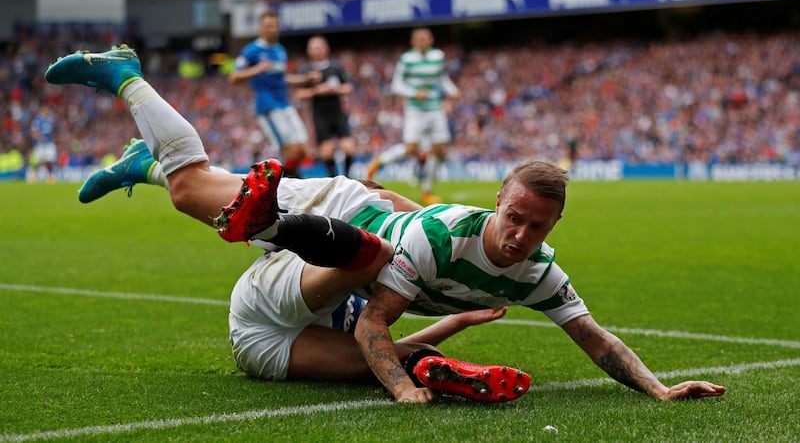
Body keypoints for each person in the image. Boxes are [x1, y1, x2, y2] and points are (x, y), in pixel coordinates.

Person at [47, 45, 726, 405]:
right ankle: (128, 77)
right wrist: (406, 392)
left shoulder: (539, 273)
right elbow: (384, 302)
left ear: (552, 228)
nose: (521, 236)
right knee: (202, 191)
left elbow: (594, 337)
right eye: (514, 218)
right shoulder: (442, 237)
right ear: (497, 203)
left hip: (317, 291)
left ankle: (149, 167)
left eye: (536, 228)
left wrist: (660, 390)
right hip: (339, 218)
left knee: (195, 191)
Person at [366, 27, 461, 205]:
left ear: (431, 40)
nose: (424, 41)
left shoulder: (438, 56)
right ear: (414, 42)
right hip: (415, 110)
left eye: (427, 38)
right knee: (411, 149)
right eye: (420, 39)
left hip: (435, 108)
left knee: (439, 150)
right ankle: (379, 160)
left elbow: (441, 79)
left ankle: (426, 192)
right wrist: (413, 92)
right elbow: (396, 84)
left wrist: (453, 91)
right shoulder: (407, 59)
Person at [228, 9, 315, 178]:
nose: (272, 29)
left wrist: (304, 79)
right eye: (268, 26)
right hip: (268, 105)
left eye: (274, 26)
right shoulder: (251, 50)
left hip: (285, 103)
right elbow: (234, 77)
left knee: (304, 149)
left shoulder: (279, 50)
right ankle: (291, 187)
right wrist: (258, 69)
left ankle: (285, 182)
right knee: (290, 149)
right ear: (261, 28)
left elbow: (282, 79)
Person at [294, 35, 357, 177]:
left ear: (326, 49)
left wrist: (335, 89)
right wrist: (317, 91)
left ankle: (348, 179)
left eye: (319, 47)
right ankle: (333, 180)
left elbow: (348, 87)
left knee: (348, 147)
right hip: (320, 115)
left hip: (338, 113)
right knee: (326, 151)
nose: (317, 51)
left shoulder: (336, 67)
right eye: (314, 48)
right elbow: (299, 94)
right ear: (309, 51)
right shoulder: (306, 71)